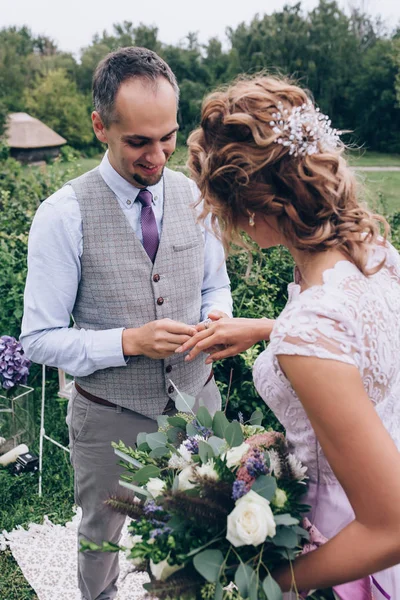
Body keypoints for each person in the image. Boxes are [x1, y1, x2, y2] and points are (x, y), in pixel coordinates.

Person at [20, 47, 232, 600]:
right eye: (139, 140)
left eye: (168, 136)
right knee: (100, 539)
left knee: (211, 531)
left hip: (198, 404)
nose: (158, 155)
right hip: (108, 418)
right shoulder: (62, 215)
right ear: (100, 126)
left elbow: (216, 285)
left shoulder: (195, 195)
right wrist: (128, 342)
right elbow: (38, 340)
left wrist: (218, 318)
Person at [180, 74, 400, 598]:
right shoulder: (373, 255)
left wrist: (261, 580)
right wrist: (264, 329)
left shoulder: (310, 331)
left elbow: (391, 528)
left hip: (342, 550)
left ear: (251, 209)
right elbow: (361, 347)